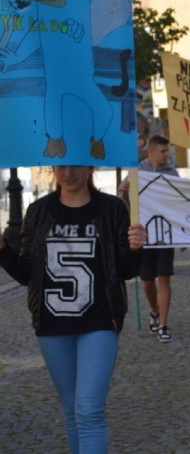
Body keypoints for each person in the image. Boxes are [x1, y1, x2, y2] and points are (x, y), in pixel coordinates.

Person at [0, 165, 146, 453]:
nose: (69, 173)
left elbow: (127, 271)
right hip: (52, 324)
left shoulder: (112, 208)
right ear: (53, 168)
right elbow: (29, 273)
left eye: (76, 165)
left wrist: (136, 248)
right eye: (61, 166)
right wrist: (3, 249)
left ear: (90, 166)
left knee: (89, 412)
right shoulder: (38, 211)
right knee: (71, 411)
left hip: (100, 321)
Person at [120, 135, 178, 343]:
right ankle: (154, 311)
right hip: (143, 234)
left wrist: (183, 234)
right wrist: (123, 190)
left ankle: (163, 324)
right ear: (151, 152)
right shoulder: (137, 172)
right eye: (162, 151)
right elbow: (123, 201)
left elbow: (178, 203)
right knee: (146, 281)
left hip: (164, 233)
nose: (166, 155)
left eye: (167, 151)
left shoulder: (172, 172)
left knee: (164, 276)